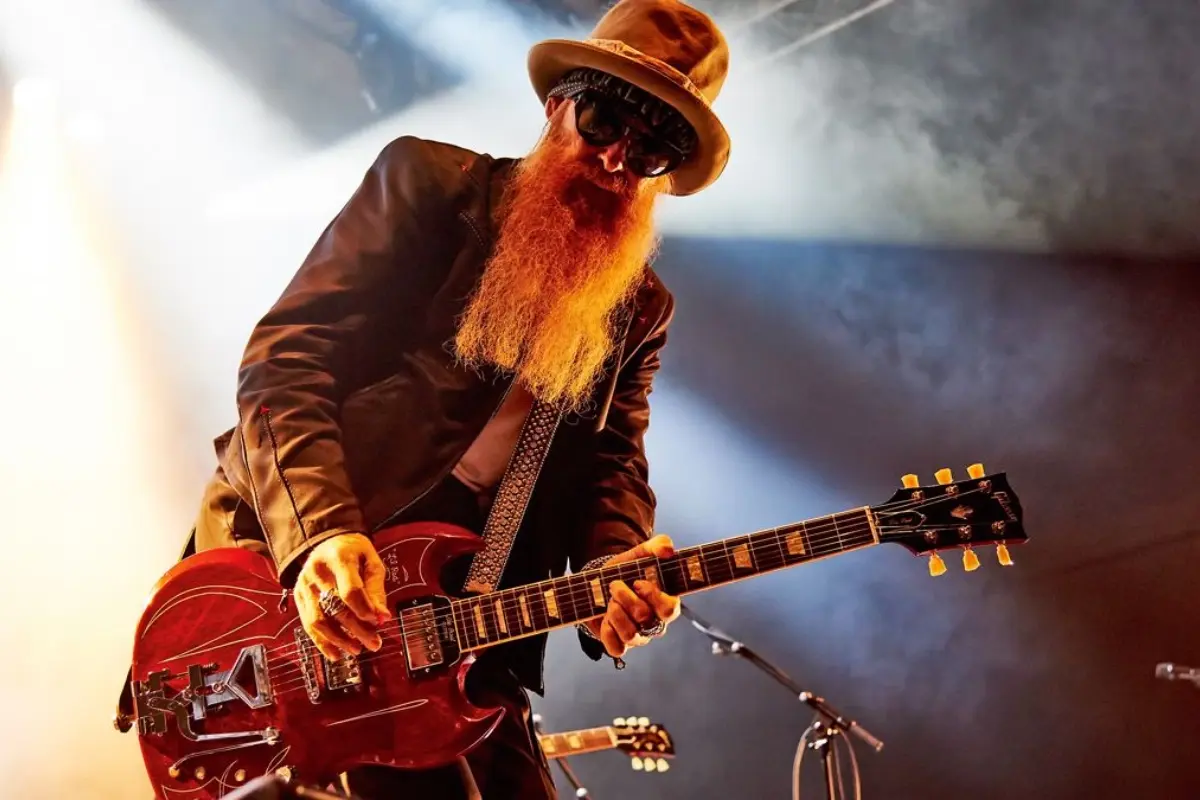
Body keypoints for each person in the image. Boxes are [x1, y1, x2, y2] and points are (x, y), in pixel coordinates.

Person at [187, 0, 731, 796]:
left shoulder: (639, 309)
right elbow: (284, 363)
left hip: (461, 624)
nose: (617, 157)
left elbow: (612, 462)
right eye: (604, 118)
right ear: (556, 106)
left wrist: (619, 565)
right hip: (309, 573)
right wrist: (320, 534)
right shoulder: (427, 185)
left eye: (651, 151)